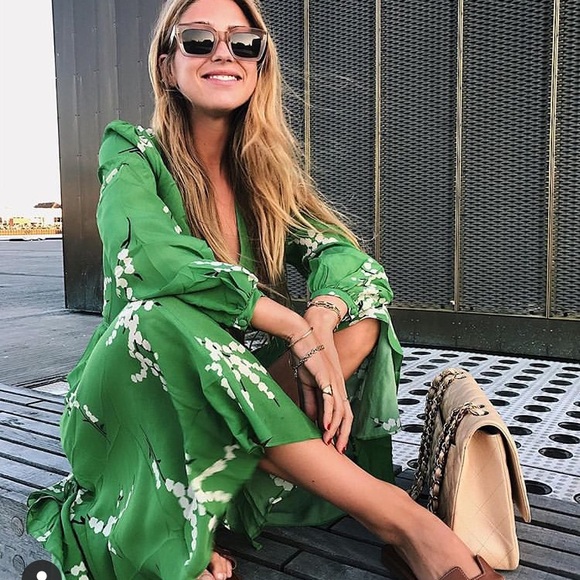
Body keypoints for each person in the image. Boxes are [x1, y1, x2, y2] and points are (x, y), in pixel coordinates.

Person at [26, 0, 504, 579]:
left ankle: (205, 504)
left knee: (360, 316)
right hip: (138, 398)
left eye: (243, 42)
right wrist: (290, 324)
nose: (223, 53)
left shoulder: (264, 179)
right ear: (167, 64)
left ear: (260, 63)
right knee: (159, 318)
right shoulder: (131, 153)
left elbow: (346, 259)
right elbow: (150, 257)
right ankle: (401, 520)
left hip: (231, 400)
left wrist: (321, 317)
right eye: (198, 40)